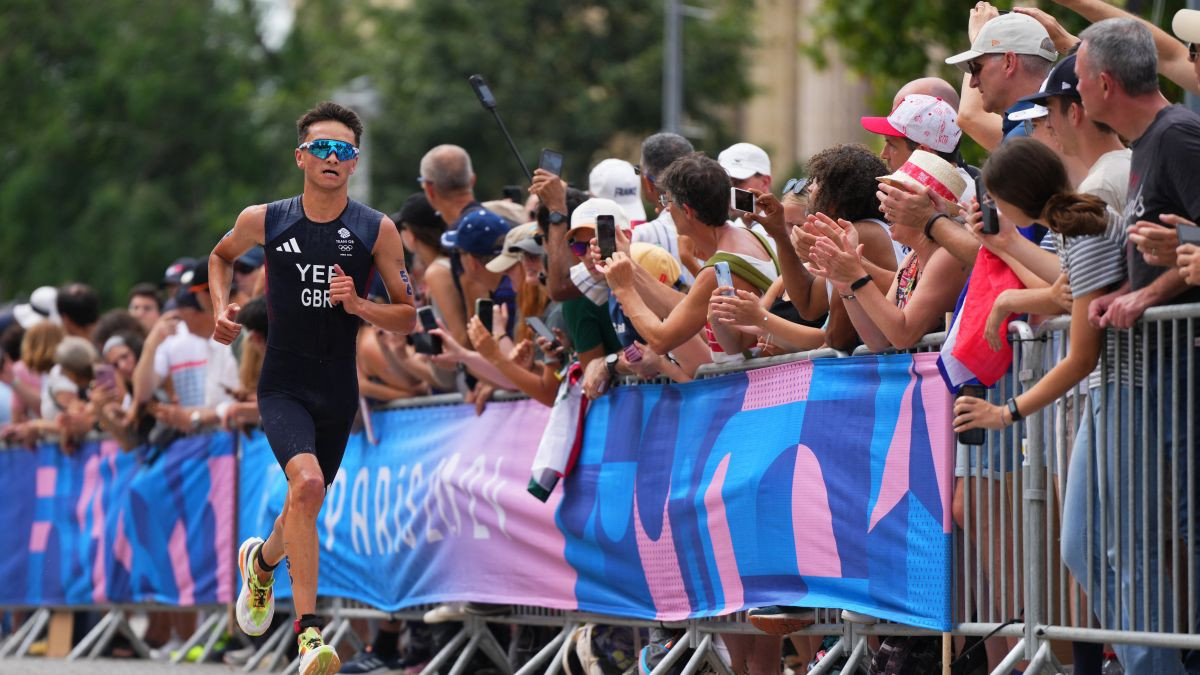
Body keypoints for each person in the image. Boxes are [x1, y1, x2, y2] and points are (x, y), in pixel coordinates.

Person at [208, 101, 416, 675]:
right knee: (305, 482)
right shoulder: (267, 219)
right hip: (283, 383)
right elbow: (220, 256)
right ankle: (308, 634)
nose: (332, 158)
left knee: (307, 498)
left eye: (343, 150)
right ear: (301, 155)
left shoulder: (377, 229)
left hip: (337, 385)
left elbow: (408, 317)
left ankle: (263, 561)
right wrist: (221, 306)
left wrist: (358, 304)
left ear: (354, 163)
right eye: (321, 148)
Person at [1073, 19, 1200, 674]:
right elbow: (1165, 248)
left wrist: (1146, 297)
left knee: (1171, 531)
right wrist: (1122, 287)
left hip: (1178, 360)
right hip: (1156, 363)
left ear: (1103, 83)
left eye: (1078, 78)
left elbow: (1195, 245)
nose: (1074, 94)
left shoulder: (1177, 134)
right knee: (1108, 539)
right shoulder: (1149, 141)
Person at [603, 153, 778, 364]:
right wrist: (628, 262)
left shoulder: (719, 268)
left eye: (667, 200)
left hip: (745, 387)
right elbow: (684, 307)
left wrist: (624, 290)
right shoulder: (751, 237)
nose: (666, 208)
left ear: (686, 211)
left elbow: (660, 340)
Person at [948, 7, 1059, 150]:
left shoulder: (1023, 139)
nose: (972, 83)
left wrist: (979, 39)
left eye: (976, 68)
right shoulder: (1053, 120)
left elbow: (970, 116)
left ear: (1009, 63)